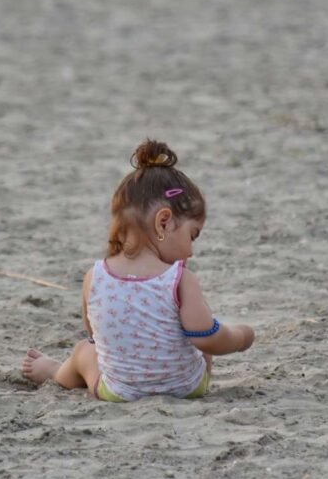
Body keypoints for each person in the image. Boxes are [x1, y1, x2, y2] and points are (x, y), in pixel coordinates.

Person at [21, 139, 255, 402]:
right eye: (192, 235)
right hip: (186, 388)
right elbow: (207, 339)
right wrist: (241, 337)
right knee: (195, 324)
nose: (191, 251)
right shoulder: (179, 279)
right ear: (164, 222)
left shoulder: (95, 277)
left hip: (119, 392)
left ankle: (57, 372)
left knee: (83, 352)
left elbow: (95, 337)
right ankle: (57, 370)